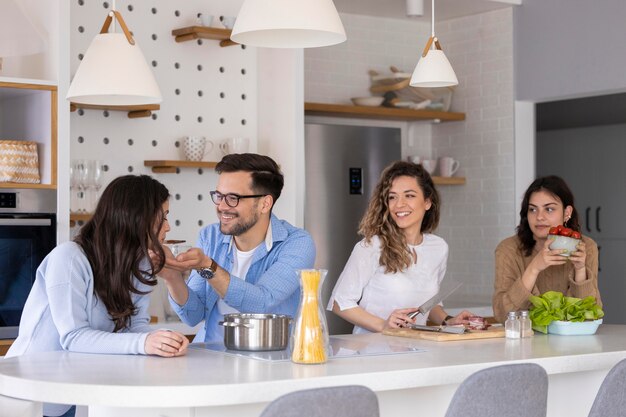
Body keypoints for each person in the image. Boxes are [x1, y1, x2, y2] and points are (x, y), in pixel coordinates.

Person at [6, 175, 189, 417]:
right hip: (31, 393)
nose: (168, 226)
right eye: (163, 216)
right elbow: (73, 337)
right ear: (136, 217)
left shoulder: (140, 262)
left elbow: (136, 327)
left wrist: (165, 339)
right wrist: (145, 343)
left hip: (82, 387)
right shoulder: (69, 258)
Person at [160, 153, 316, 343]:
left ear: (265, 203)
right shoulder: (210, 237)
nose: (222, 206)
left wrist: (209, 267)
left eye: (233, 198)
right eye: (219, 196)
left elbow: (261, 303)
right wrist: (172, 278)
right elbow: (193, 316)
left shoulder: (297, 243)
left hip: (270, 362)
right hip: (211, 358)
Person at [328, 161, 473, 334]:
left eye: (409, 195)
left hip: (417, 350)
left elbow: (429, 303)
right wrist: (384, 325)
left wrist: (448, 320)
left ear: (427, 202)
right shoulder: (372, 246)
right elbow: (340, 302)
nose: (399, 204)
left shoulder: (439, 247)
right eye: (392, 197)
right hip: (372, 352)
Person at [492, 175, 601, 323]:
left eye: (549, 209)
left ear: (567, 212)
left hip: (573, 342)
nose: (539, 217)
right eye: (532, 209)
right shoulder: (508, 250)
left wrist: (580, 270)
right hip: (525, 342)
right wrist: (534, 268)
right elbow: (501, 315)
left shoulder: (586, 247)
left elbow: (591, 314)